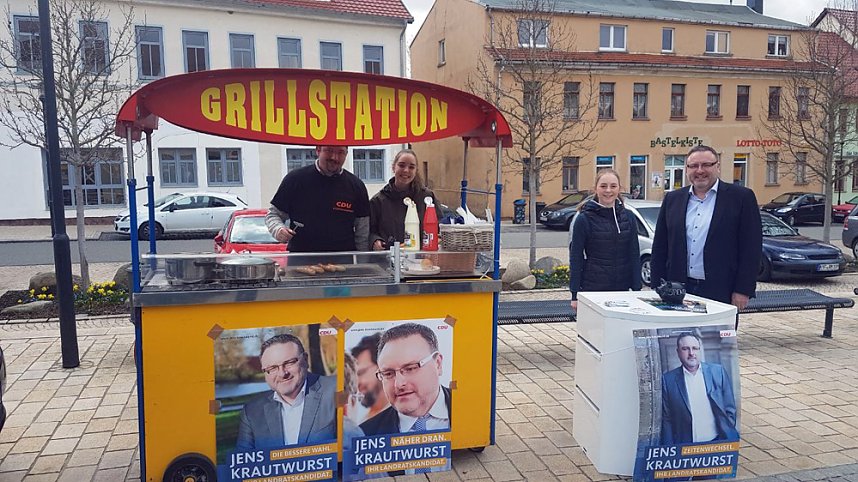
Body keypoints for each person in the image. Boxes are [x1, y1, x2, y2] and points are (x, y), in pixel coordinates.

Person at [650, 145, 762, 310]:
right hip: (678, 289)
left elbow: (751, 249)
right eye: (694, 166)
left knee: (717, 336)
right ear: (687, 169)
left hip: (722, 290)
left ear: (717, 166)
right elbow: (660, 246)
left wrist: (743, 290)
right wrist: (657, 285)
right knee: (679, 335)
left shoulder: (741, 198)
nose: (700, 170)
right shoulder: (673, 199)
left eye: (706, 165)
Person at [359, 323, 451, 475]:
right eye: (388, 373)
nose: (399, 384)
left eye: (410, 368)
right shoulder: (365, 433)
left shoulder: (469, 410)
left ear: (438, 364)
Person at [235, 334, 336, 450]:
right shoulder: (252, 412)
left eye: (289, 363)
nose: (282, 374)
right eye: (272, 368)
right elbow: (245, 463)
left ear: (306, 360)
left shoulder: (335, 390)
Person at [266, 145, 370, 252]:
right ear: (318, 150)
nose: (335, 157)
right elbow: (273, 215)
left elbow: (362, 232)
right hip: (300, 260)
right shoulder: (295, 179)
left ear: (346, 154)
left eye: (340, 152)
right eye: (329, 150)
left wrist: (362, 261)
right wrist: (278, 230)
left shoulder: (356, 186)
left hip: (344, 261)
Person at [568, 169, 642, 310]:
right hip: (594, 288)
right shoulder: (584, 218)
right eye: (603, 186)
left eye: (613, 186)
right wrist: (575, 294)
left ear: (619, 188)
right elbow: (576, 257)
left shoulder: (629, 216)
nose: (608, 190)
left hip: (622, 289)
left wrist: (636, 288)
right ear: (596, 188)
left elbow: (634, 253)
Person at [661, 332, 738, 445]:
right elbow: (667, 420)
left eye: (695, 348)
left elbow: (730, 408)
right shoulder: (668, 380)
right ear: (678, 352)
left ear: (700, 350)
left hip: (717, 442)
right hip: (686, 446)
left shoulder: (717, 372)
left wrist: (726, 433)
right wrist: (670, 450)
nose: (691, 353)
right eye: (685, 349)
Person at [369, 149, 437, 250]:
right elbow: (370, 231)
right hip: (389, 259)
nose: (406, 170)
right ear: (393, 167)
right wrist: (375, 240)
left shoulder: (427, 198)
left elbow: (439, 226)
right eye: (401, 165)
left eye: (411, 167)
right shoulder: (378, 201)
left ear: (416, 170)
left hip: (421, 259)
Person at [350, 333, 390, 422]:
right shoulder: (360, 423)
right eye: (353, 377)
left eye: (361, 373)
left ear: (382, 367)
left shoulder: (404, 414)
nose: (356, 383)